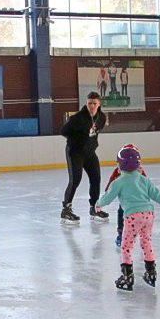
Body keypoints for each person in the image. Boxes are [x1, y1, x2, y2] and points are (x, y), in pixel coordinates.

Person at [95, 146, 160, 291]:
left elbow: (107, 198)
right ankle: (151, 273)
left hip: (133, 217)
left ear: (120, 164)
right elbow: (156, 194)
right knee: (146, 242)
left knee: (126, 246)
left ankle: (127, 277)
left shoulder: (118, 182)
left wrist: (98, 205)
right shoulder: (144, 179)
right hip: (148, 215)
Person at [60, 91, 109, 224]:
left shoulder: (101, 117)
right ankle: (66, 210)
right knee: (75, 180)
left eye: (94, 103)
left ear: (99, 104)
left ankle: (94, 207)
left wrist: (90, 144)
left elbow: (96, 131)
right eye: (89, 103)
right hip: (75, 152)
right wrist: (79, 139)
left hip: (89, 152)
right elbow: (64, 131)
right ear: (86, 103)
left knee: (96, 178)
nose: (92, 106)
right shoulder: (78, 118)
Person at [103, 143, 147, 247]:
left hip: (139, 201)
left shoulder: (140, 171)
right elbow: (110, 185)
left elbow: (147, 185)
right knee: (121, 213)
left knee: (142, 217)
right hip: (125, 201)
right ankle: (121, 234)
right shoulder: (117, 171)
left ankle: (142, 234)